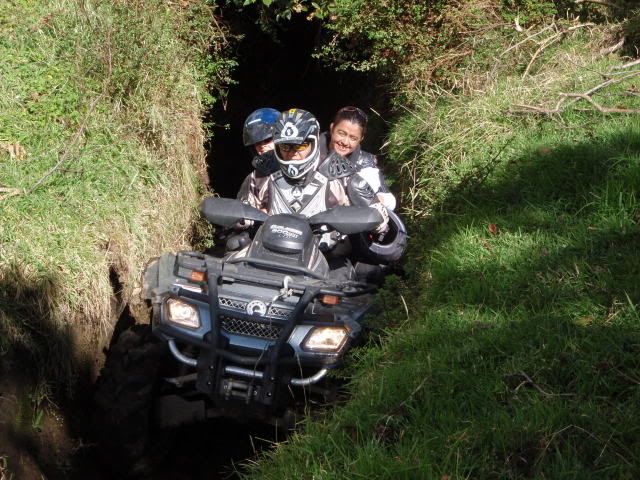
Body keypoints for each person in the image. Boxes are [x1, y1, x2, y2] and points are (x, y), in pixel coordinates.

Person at [320, 106, 396, 211]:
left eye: (353, 138)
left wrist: (374, 199)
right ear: (332, 128)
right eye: (341, 133)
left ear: (361, 139)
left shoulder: (366, 162)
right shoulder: (309, 152)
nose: (345, 142)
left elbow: (389, 199)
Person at [236, 108, 280, 203]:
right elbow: (244, 213)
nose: (262, 145)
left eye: (268, 140)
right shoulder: (253, 180)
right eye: (257, 143)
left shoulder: (302, 170)